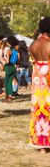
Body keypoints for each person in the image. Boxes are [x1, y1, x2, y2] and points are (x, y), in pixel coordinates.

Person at [29, 17, 50, 152]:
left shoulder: (33, 44)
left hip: (37, 80)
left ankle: (41, 144)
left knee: (38, 110)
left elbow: (34, 61)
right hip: (48, 78)